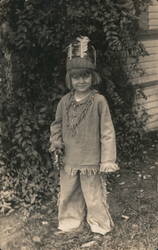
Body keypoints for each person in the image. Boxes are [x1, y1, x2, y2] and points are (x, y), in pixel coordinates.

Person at [49, 36, 119, 237]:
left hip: (91, 160)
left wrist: (107, 159)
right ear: (69, 79)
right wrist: (56, 142)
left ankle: (100, 226)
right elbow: (57, 125)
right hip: (69, 159)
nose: (81, 81)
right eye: (76, 77)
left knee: (93, 195)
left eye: (86, 76)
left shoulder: (99, 101)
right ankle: (70, 223)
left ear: (93, 77)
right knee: (69, 193)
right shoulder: (64, 101)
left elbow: (107, 132)